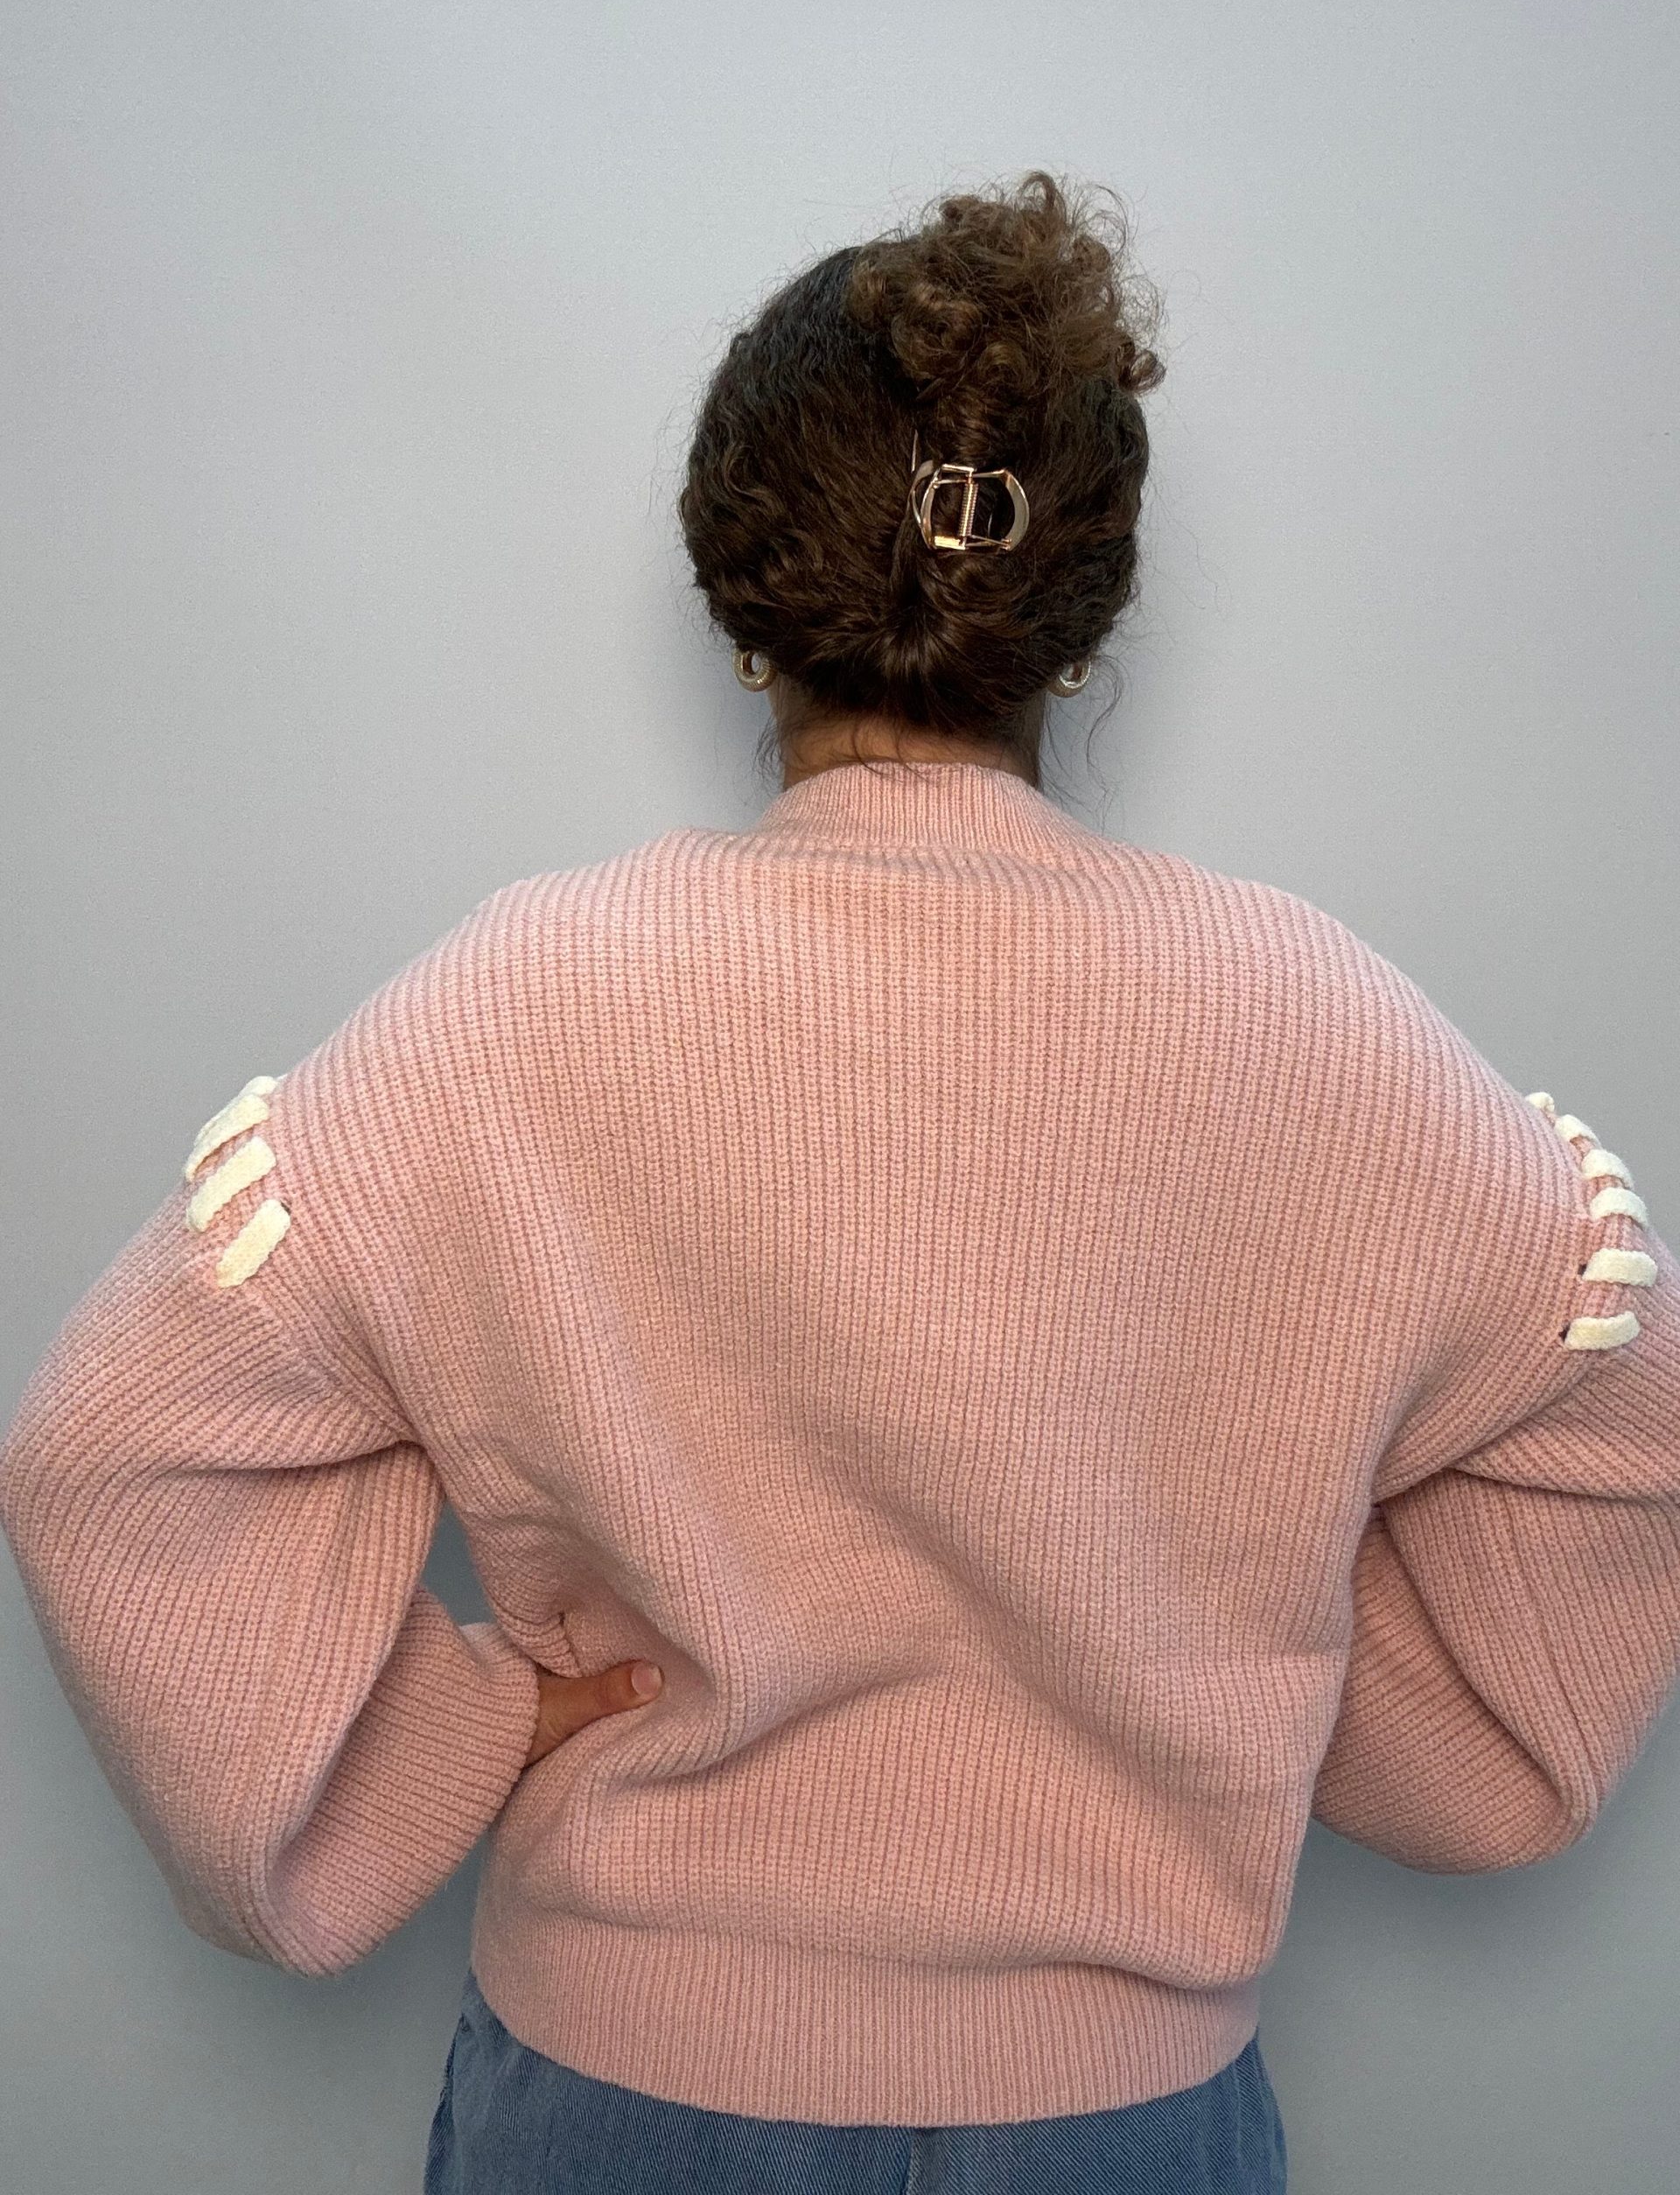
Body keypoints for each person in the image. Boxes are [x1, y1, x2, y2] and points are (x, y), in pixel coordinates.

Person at [3, 169, 1676, 2195]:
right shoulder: (1323, 1024)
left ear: (742, 608)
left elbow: (110, 1452)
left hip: (615, 2099)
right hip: (1131, 2116)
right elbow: (1621, 1422)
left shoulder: (520, 1006)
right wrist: (1287, 1663)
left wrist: (457, 1728)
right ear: (1077, 625)